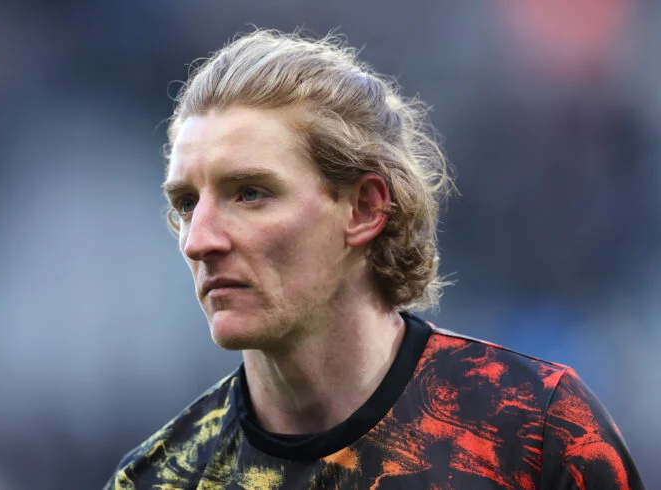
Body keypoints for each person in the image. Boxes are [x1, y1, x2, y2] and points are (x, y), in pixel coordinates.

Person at [104, 30, 644, 489]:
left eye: (249, 193)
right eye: (186, 203)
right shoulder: (160, 478)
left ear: (364, 209)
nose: (198, 240)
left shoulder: (536, 433)